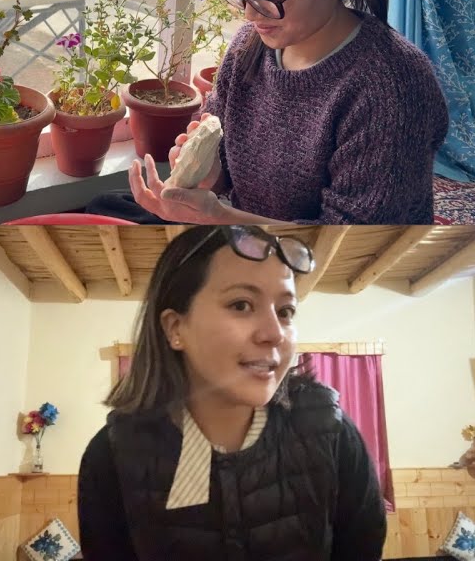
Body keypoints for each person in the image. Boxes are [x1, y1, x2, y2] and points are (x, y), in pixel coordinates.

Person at [120, 0, 447, 225]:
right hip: (254, 245)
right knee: (105, 212)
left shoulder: (391, 85)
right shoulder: (249, 48)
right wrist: (208, 173)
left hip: (345, 271)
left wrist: (218, 217)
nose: (249, 13)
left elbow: (348, 251)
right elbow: (227, 177)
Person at [76, 226, 387, 560]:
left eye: (285, 311)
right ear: (175, 328)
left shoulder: (330, 430)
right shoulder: (111, 455)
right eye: (241, 305)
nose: (274, 333)